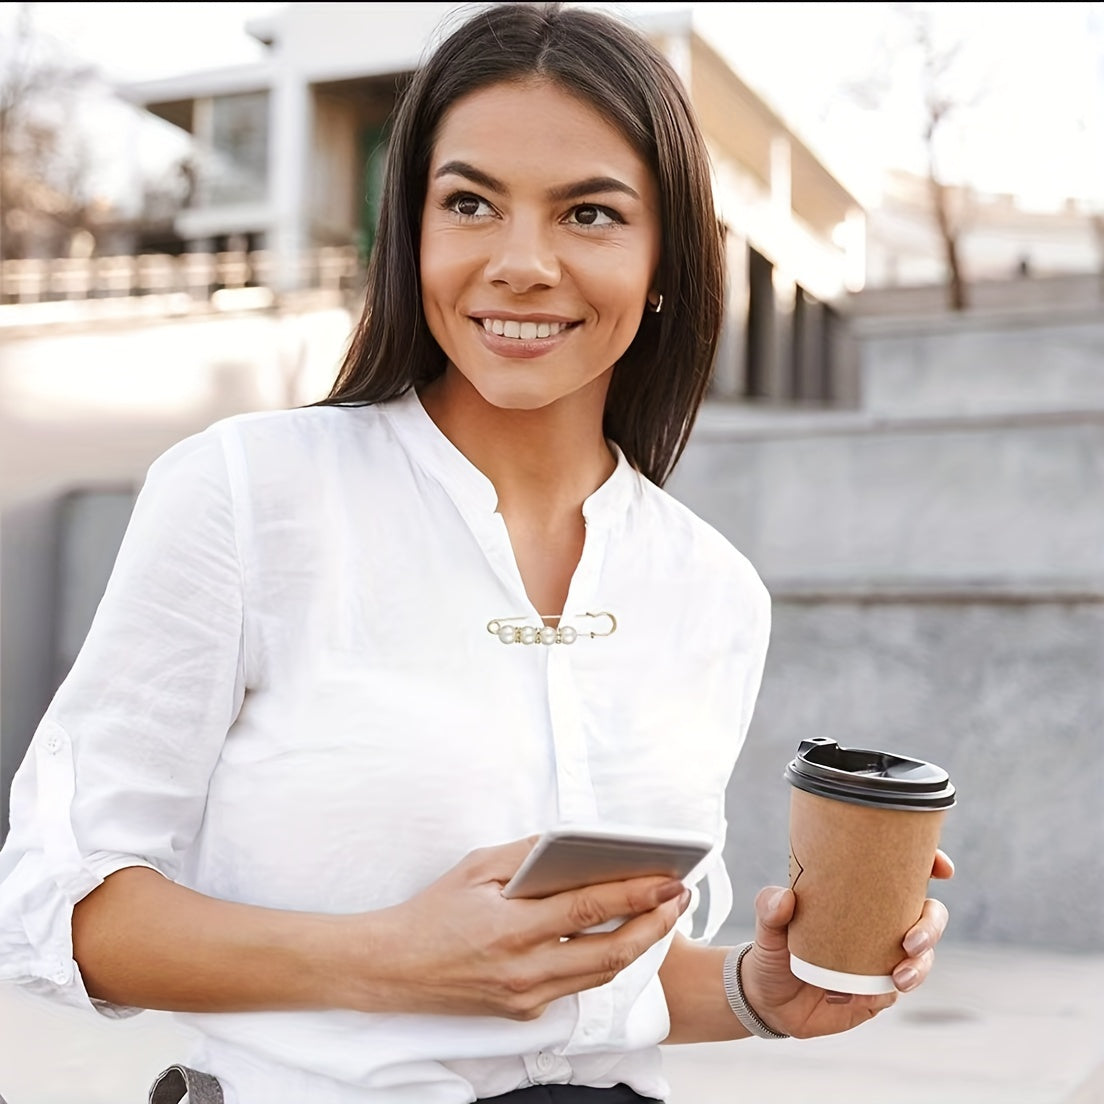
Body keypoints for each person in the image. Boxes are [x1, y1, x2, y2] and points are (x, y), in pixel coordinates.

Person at [0, 3, 952, 1103]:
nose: (521, 264)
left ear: (666, 259)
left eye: (589, 213)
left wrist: (756, 989)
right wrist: (386, 959)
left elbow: (600, 987)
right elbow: (52, 908)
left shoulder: (710, 590)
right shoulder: (248, 495)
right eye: (469, 204)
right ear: (412, 233)